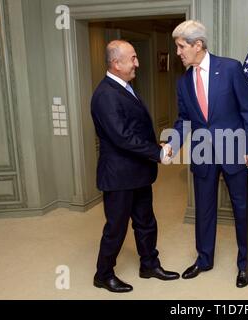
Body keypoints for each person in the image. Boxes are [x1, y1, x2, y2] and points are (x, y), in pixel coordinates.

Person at [166, 20, 248, 288]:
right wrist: (172, 144)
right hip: (203, 154)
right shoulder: (183, 81)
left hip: (234, 152)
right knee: (204, 210)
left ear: (198, 45)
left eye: (181, 46)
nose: (178, 52)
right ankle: (204, 259)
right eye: (177, 47)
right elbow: (184, 119)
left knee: (242, 210)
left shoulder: (230, 68)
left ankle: (245, 265)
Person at [91, 40, 179, 293]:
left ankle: (149, 264)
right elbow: (122, 136)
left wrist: (156, 151)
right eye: (133, 58)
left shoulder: (125, 87)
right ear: (116, 63)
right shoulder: (105, 94)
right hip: (119, 175)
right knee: (116, 229)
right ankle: (103, 274)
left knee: (146, 222)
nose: (137, 63)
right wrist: (158, 153)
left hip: (138, 171)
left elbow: (135, 128)